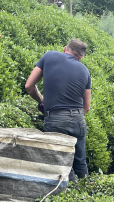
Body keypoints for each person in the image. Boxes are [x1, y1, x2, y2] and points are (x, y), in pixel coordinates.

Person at [25, 39, 91, 180]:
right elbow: (87, 107)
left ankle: (70, 197)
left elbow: (29, 86)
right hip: (79, 120)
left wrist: (42, 101)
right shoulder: (85, 71)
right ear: (80, 58)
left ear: (64, 49)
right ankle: (86, 195)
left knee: (62, 164)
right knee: (80, 162)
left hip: (56, 119)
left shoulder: (49, 56)